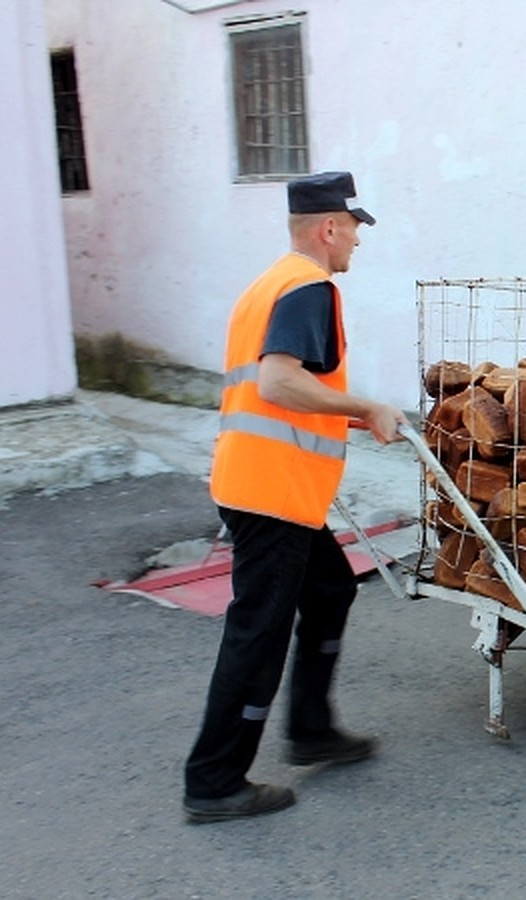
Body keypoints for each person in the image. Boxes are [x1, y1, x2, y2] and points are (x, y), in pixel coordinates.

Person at [182, 171, 406, 824]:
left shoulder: (268, 284)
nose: (358, 244)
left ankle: (311, 728)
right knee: (257, 636)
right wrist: (365, 402)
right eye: (356, 231)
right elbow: (280, 383)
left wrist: (354, 417)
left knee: (331, 589)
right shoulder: (311, 287)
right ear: (328, 228)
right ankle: (214, 781)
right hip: (272, 497)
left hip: (266, 487)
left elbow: (283, 389)